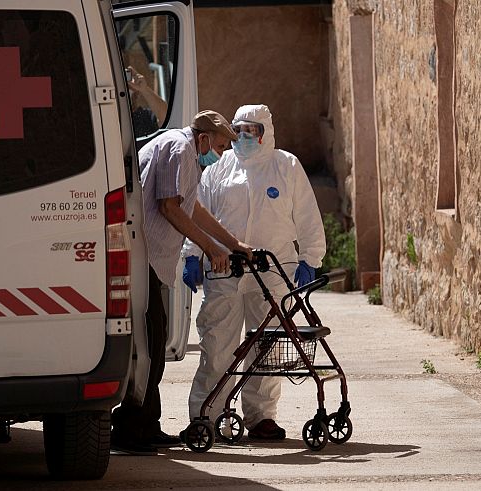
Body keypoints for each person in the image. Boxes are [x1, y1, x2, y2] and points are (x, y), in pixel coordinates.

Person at [111, 110, 252, 455]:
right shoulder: (179, 149)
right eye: (218, 147)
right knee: (149, 346)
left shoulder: (187, 154)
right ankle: (130, 430)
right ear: (203, 138)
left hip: (151, 260)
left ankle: (146, 425)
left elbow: (195, 209)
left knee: (154, 346)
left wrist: (232, 243)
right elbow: (170, 208)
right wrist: (209, 248)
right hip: (140, 257)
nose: (218, 154)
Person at [185, 104, 326, 440]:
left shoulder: (285, 166)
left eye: (252, 131)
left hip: (275, 269)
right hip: (225, 267)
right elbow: (197, 210)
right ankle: (207, 415)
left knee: (268, 345)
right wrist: (192, 253)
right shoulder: (219, 167)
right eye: (239, 130)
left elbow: (307, 215)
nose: (245, 137)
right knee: (217, 343)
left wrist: (310, 258)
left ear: (266, 133)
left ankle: (261, 416)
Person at [126, 66, 168, 137]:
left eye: (129, 87)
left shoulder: (145, 117)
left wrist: (144, 89)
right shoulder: (106, 117)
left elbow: (166, 118)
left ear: (137, 93)